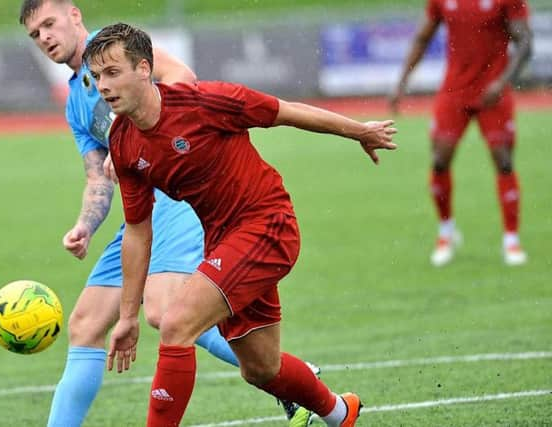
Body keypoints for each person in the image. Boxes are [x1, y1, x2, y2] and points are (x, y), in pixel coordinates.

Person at [83, 22, 397, 427]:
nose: (104, 86)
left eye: (113, 73)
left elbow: (285, 112)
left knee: (177, 323)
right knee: (260, 368)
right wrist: (126, 317)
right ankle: (340, 412)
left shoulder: (204, 102)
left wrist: (359, 131)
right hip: (224, 241)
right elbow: (138, 231)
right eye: (97, 77)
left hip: (267, 224)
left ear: (144, 69)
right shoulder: (123, 143)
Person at [19, 1, 314, 426]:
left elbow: (182, 78)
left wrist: (134, 137)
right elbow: (97, 178)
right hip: (139, 212)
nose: (45, 37)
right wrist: (84, 226)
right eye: (35, 34)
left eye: (49, 24)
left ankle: (289, 382)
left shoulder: (118, 48)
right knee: (85, 323)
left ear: (74, 15)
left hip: (176, 197)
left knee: (163, 312)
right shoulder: (76, 103)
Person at [390, 0, 533, 266]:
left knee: (503, 161)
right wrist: (401, 83)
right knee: (439, 160)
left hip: (494, 92)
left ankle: (511, 239)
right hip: (454, 91)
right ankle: (447, 232)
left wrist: (502, 82)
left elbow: (525, 41)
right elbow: (423, 38)